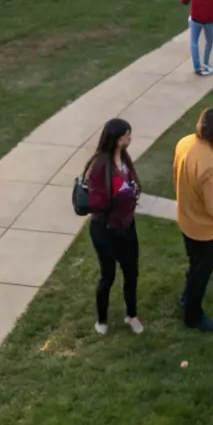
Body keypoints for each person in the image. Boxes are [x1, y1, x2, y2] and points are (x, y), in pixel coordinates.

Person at [173, 108, 213, 332]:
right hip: (204, 230)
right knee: (202, 271)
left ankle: (187, 295)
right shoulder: (211, 167)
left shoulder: (185, 142)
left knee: (194, 263)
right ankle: (193, 316)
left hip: (186, 218)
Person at [84, 119, 142, 335]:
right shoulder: (100, 165)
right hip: (105, 229)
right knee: (108, 275)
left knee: (131, 272)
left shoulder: (124, 158)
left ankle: (132, 314)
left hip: (126, 226)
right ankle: (102, 320)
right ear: (118, 140)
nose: (130, 138)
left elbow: (131, 182)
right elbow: (96, 201)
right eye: (127, 134)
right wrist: (120, 194)